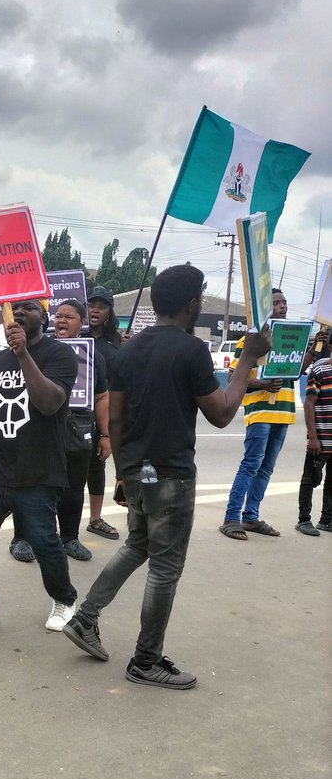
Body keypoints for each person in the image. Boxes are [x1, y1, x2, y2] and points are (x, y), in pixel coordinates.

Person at [62, 264, 271, 690]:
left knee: (138, 544)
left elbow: (116, 420)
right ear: (193, 304)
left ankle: (85, 618)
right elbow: (221, 412)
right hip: (172, 476)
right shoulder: (191, 350)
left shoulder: (129, 349)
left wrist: (123, 474)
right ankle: (145, 660)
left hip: (137, 471)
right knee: (165, 568)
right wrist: (247, 357)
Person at [0, 298, 79, 639]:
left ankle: (65, 600)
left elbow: (50, 403)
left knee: (45, 543)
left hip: (38, 472)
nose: (20, 312)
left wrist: (23, 354)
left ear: (44, 316)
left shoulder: (60, 355)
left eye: (29, 308)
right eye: (15, 308)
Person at [220, 289, 294, 540]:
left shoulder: (290, 340)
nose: (282, 306)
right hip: (261, 412)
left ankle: (250, 516)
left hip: (283, 412)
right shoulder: (250, 341)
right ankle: (231, 517)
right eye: (276, 303)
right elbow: (233, 377)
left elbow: (296, 370)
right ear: (266, 309)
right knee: (251, 465)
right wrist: (263, 385)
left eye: (284, 302)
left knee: (266, 469)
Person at [53, 298, 110, 561]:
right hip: (45, 426)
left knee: (74, 486)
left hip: (79, 427)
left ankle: (69, 538)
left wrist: (106, 435)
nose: (61, 321)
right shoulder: (41, 348)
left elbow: (101, 396)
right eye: (58, 316)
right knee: (36, 485)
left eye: (69, 317)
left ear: (82, 322)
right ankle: (24, 538)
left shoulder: (93, 355)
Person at [84, 285, 123, 540]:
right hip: (73, 410)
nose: (95, 309)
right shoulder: (75, 334)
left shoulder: (117, 342)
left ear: (109, 311)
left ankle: (95, 519)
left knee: (96, 466)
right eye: (92, 304)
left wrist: (107, 432)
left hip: (103, 410)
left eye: (102, 306)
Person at [294, 354, 332, 535]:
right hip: (322, 439)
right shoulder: (320, 371)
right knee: (310, 479)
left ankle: (326, 520)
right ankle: (304, 520)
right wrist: (313, 437)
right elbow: (309, 404)